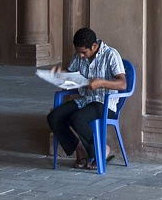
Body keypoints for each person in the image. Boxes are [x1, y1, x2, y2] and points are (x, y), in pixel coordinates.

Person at [47, 27, 126, 170]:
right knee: (54, 117)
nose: (81, 56)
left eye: (84, 52)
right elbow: (70, 75)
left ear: (94, 46)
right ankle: (80, 149)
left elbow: (123, 83)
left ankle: (100, 151)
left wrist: (101, 82)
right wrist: (60, 74)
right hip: (84, 100)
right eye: (79, 52)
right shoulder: (79, 56)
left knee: (78, 118)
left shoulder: (111, 54)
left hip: (105, 103)